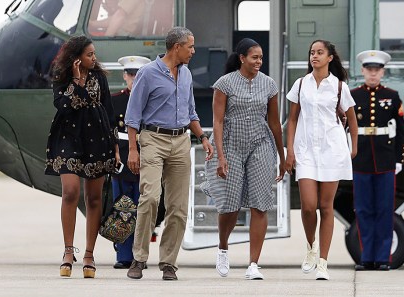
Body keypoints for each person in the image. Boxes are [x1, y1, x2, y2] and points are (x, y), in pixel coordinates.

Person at [124, 27, 214, 281]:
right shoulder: (148, 74)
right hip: (152, 139)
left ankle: (168, 263)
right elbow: (132, 116)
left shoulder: (185, 75)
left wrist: (203, 138)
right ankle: (139, 258)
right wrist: (133, 149)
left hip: (181, 141)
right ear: (177, 47)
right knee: (150, 197)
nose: (194, 51)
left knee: (178, 206)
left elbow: (191, 112)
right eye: (191, 47)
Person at [201, 38, 285, 280]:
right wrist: (220, 155)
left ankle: (253, 264)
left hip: (260, 144)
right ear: (242, 58)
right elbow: (217, 121)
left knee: (260, 204)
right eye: (254, 57)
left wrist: (282, 156)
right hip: (230, 144)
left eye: (260, 58)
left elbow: (274, 123)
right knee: (230, 204)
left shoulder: (269, 84)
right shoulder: (224, 83)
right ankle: (223, 248)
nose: (258, 61)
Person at [45, 35, 120, 278]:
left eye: (94, 54)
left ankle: (89, 254)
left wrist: (116, 146)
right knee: (70, 192)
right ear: (76, 58)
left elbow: (109, 111)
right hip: (68, 136)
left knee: (94, 198)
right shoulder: (62, 76)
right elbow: (64, 105)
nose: (94, 58)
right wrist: (76, 80)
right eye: (89, 54)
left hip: (97, 138)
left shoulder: (100, 77)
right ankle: (68, 251)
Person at [285, 40, 358, 280]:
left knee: (326, 207)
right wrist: (290, 150)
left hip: (331, 150)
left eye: (319, 53)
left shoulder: (339, 87)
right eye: (311, 53)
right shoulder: (300, 84)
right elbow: (293, 119)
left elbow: (352, 119)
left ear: (329, 58)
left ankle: (324, 263)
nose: (314, 56)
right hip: (305, 150)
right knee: (308, 206)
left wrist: (353, 148)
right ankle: (311, 246)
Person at [351, 50, 404, 271]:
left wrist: (399, 159)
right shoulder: (354, 96)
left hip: (384, 159)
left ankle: (383, 258)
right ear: (363, 71)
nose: (373, 74)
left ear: (382, 72)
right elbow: (346, 127)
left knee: (384, 209)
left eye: (377, 70)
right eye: (369, 70)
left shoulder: (392, 96)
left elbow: (401, 130)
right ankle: (367, 258)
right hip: (361, 158)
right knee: (363, 209)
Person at [110, 55, 166, 269]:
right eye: (130, 74)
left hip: (150, 153)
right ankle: (123, 256)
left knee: (146, 206)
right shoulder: (115, 100)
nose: (134, 78)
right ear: (124, 76)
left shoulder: (152, 100)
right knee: (123, 206)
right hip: (123, 158)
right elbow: (110, 130)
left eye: (138, 74)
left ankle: (139, 254)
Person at [88, 0, 174, 37]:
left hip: (125, 35)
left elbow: (119, 17)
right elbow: (115, 19)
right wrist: (92, 23)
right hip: (128, 34)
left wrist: (105, 40)